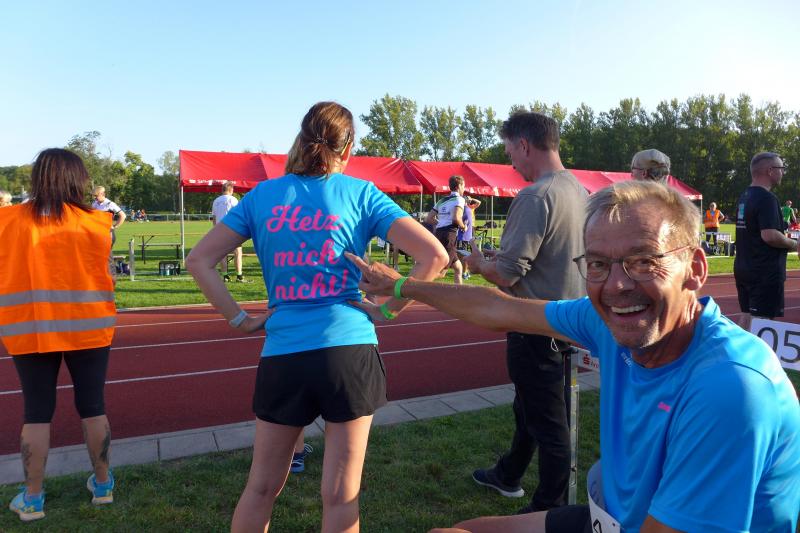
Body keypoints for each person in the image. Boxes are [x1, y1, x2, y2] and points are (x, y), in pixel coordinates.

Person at [348, 180, 800, 533]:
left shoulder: (731, 388)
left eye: (644, 260)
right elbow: (500, 309)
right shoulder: (606, 321)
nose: (617, 285)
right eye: (598, 264)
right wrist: (402, 285)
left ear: (695, 269)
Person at [186, 101, 447, 533]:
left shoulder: (262, 196)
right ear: (349, 148)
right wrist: (388, 309)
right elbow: (435, 255)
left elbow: (199, 260)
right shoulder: (361, 193)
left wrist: (239, 319)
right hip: (349, 351)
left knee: (260, 489)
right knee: (341, 495)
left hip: (284, 352)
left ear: (301, 138)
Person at [461, 111, 587, 514]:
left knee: (550, 425)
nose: (511, 162)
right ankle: (509, 473)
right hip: (566, 320)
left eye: (509, 152)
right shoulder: (580, 191)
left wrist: (479, 263)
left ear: (524, 145)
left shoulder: (535, 196)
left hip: (534, 326)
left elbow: (507, 274)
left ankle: (549, 509)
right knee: (531, 407)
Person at [1, 149, 118, 522]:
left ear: (37, 178)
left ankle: (33, 498)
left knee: (36, 411)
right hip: (89, 326)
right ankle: (103, 485)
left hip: (31, 328)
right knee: (93, 406)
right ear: (78, 180)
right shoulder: (97, 222)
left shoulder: (8, 220)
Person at [734, 152, 797, 330]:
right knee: (762, 323)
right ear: (770, 171)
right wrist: (794, 244)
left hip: (744, 266)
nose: (783, 172)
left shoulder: (745, 195)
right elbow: (769, 235)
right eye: (781, 168)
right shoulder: (767, 198)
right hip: (764, 271)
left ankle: (738, 349)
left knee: (746, 316)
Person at [426, 175, 467, 284]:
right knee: (441, 273)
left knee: (458, 268)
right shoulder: (460, 199)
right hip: (449, 236)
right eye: (463, 186)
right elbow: (456, 218)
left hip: (439, 234)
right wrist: (463, 226)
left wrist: (441, 223)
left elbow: (429, 218)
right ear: (458, 186)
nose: (464, 189)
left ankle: (458, 292)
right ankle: (416, 285)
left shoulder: (442, 200)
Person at [211, 182, 246, 282]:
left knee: (222, 254)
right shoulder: (233, 200)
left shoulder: (216, 201)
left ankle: (225, 276)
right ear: (231, 190)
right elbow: (238, 216)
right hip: (232, 230)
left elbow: (214, 219)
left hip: (219, 230)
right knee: (237, 252)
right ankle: (239, 276)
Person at [457, 196, 481, 279]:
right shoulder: (464, 208)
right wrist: (464, 225)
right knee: (461, 255)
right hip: (463, 236)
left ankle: (464, 272)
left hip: (465, 236)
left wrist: (471, 199)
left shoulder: (468, 208)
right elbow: (461, 219)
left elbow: (465, 220)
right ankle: (464, 272)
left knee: (463, 255)